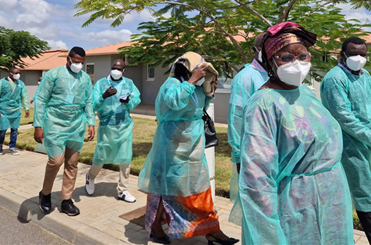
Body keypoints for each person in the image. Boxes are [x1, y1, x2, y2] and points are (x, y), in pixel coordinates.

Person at [237, 22, 353, 245]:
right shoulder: (263, 104)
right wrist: (268, 235)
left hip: (332, 201)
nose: (297, 64)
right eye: (286, 58)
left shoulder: (305, 93)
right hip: (296, 206)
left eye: (303, 56)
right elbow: (257, 178)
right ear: (270, 62)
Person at [138, 52, 239, 245]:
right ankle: (156, 227)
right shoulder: (171, 84)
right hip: (171, 145)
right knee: (165, 187)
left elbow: (199, 108)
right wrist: (191, 81)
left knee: (198, 185)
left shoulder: (196, 88)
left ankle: (211, 229)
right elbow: (174, 102)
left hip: (192, 143)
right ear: (187, 69)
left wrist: (210, 93)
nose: (202, 75)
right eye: (199, 71)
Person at [320, 37, 371, 245]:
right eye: (353, 54)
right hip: (347, 146)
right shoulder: (334, 79)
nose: (359, 58)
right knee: (364, 193)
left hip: (365, 145)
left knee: (347, 192)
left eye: (363, 54)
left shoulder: (365, 75)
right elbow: (343, 116)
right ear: (342, 54)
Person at [34, 46, 95, 217]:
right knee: (56, 161)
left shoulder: (85, 78)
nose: (79, 65)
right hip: (55, 123)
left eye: (82, 62)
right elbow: (41, 99)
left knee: (72, 163)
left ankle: (66, 200)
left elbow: (89, 101)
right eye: (76, 61)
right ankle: (45, 194)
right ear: (68, 59)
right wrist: (38, 125)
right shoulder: (53, 75)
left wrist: (91, 122)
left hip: (76, 125)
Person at [85, 59, 141, 203]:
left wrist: (127, 101)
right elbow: (94, 105)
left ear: (124, 70)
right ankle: (90, 177)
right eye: (114, 67)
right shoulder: (101, 84)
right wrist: (104, 96)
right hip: (107, 126)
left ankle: (123, 190)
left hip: (124, 125)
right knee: (101, 155)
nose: (116, 70)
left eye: (119, 68)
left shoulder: (129, 83)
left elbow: (136, 99)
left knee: (126, 158)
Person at [227, 33, 268, 203]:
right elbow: (236, 119)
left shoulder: (277, 76)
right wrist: (238, 157)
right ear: (257, 50)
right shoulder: (245, 78)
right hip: (253, 156)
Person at [0, 66, 30, 155]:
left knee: (14, 130)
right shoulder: (2, 82)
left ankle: (12, 147)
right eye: (16, 73)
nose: (18, 75)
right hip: (3, 110)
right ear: (11, 73)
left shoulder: (21, 84)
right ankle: (0, 146)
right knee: (2, 130)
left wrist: (26, 108)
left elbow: (24, 96)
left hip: (16, 109)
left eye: (19, 73)